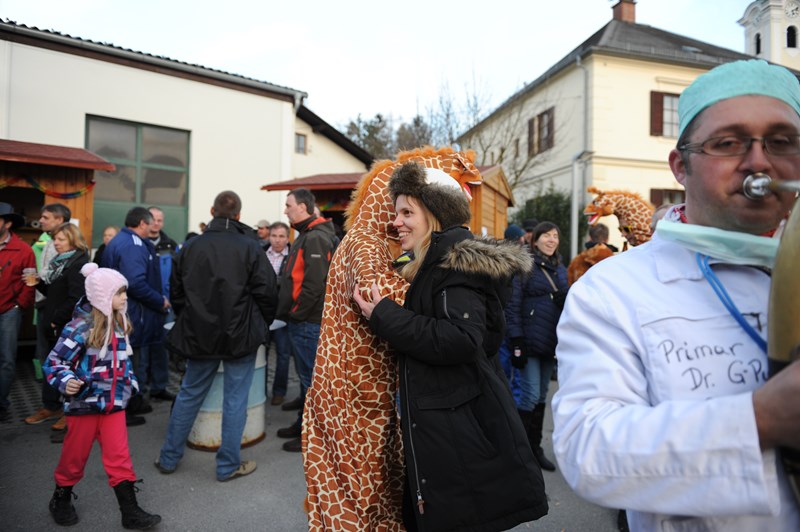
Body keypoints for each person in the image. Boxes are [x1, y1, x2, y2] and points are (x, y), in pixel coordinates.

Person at [552, 59, 800, 530]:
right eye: (727, 143)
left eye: (782, 141)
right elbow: (587, 450)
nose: (759, 162)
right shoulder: (611, 289)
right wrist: (760, 420)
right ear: (680, 166)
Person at [352, 161, 547, 530]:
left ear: (436, 216)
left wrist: (384, 314)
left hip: (456, 433)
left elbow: (460, 339)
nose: (397, 222)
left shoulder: (453, 265)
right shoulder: (431, 262)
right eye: (396, 213)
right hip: (448, 425)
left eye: (408, 212)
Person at [156, 191, 277, 481]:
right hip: (241, 336)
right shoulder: (250, 247)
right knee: (235, 400)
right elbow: (268, 291)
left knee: (189, 394)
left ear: (212, 211)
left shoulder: (191, 246)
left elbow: (176, 293)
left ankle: (168, 458)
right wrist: (261, 322)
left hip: (200, 335)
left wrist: (195, 317)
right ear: (238, 215)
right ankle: (227, 466)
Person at [44, 263, 160, 529]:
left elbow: (123, 363)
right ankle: (60, 500)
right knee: (74, 458)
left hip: (113, 405)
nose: (125, 297)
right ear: (103, 296)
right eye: (120, 293)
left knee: (120, 458)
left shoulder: (118, 324)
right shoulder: (80, 327)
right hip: (84, 405)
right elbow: (54, 362)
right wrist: (68, 381)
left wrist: (130, 385)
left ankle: (130, 512)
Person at [275, 188, 337, 453]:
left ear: (303, 207)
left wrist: (297, 314)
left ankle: (312, 436)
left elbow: (315, 286)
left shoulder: (315, 238)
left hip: (308, 322)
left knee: (310, 382)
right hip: (305, 321)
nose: (285, 210)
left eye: (288, 205)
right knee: (306, 380)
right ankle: (303, 425)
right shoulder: (309, 234)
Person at [506, 221, 568, 473]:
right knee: (530, 395)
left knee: (542, 396)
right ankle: (520, 452)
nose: (551, 240)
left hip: (551, 341)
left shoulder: (560, 267)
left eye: (555, 236)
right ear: (536, 239)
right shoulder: (525, 264)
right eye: (546, 236)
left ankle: (535, 448)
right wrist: (516, 339)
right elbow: (513, 304)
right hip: (529, 340)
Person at [102, 207, 169, 426]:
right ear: (142, 223)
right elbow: (135, 283)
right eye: (151, 223)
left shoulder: (122, 240)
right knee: (129, 361)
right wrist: (159, 300)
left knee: (129, 360)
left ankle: (135, 401)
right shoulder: (132, 245)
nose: (153, 227)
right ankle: (126, 408)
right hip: (132, 314)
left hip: (127, 313)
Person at [24, 223, 89, 432]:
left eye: (61, 239)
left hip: (67, 324)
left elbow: (76, 297)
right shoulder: (59, 261)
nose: (56, 243)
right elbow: (54, 291)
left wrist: (56, 319)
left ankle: (68, 411)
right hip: (52, 320)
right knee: (50, 364)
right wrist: (38, 284)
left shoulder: (79, 261)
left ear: (72, 239)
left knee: (68, 368)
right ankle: (51, 406)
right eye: (55, 239)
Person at [29, 203, 71, 421]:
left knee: (60, 360)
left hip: (56, 311)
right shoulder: (49, 241)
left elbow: (63, 287)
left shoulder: (67, 248)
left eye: (46, 217)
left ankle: (64, 408)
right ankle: (51, 405)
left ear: (60, 219)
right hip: (45, 305)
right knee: (47, 358)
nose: (42, 220)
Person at [0, 202, 35, 422]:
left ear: (8, 223)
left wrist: (18, 306)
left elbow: (30, 283)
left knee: (6, 360)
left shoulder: (24, 250)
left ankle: (1, 403)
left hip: (8, 313)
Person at [145, 206, 177, 402]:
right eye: (153, 219)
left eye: (160, 220)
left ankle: (159, 386)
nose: (156, 223)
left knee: (162, 347)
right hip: (144, 304)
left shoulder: (171, 246)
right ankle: (140, 388)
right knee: (141, 349)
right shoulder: (138, 243)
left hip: (166, 306)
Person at [265, 221, 291, 406]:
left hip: (283, 313)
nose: (277, 240)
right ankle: (260, 390)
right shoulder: (261, 254)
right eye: (274, 236)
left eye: (281, 236)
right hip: (264, 312)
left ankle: (279, 392)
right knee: (262, 353)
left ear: (287, 238)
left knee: (283, 354)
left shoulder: (292, 256)